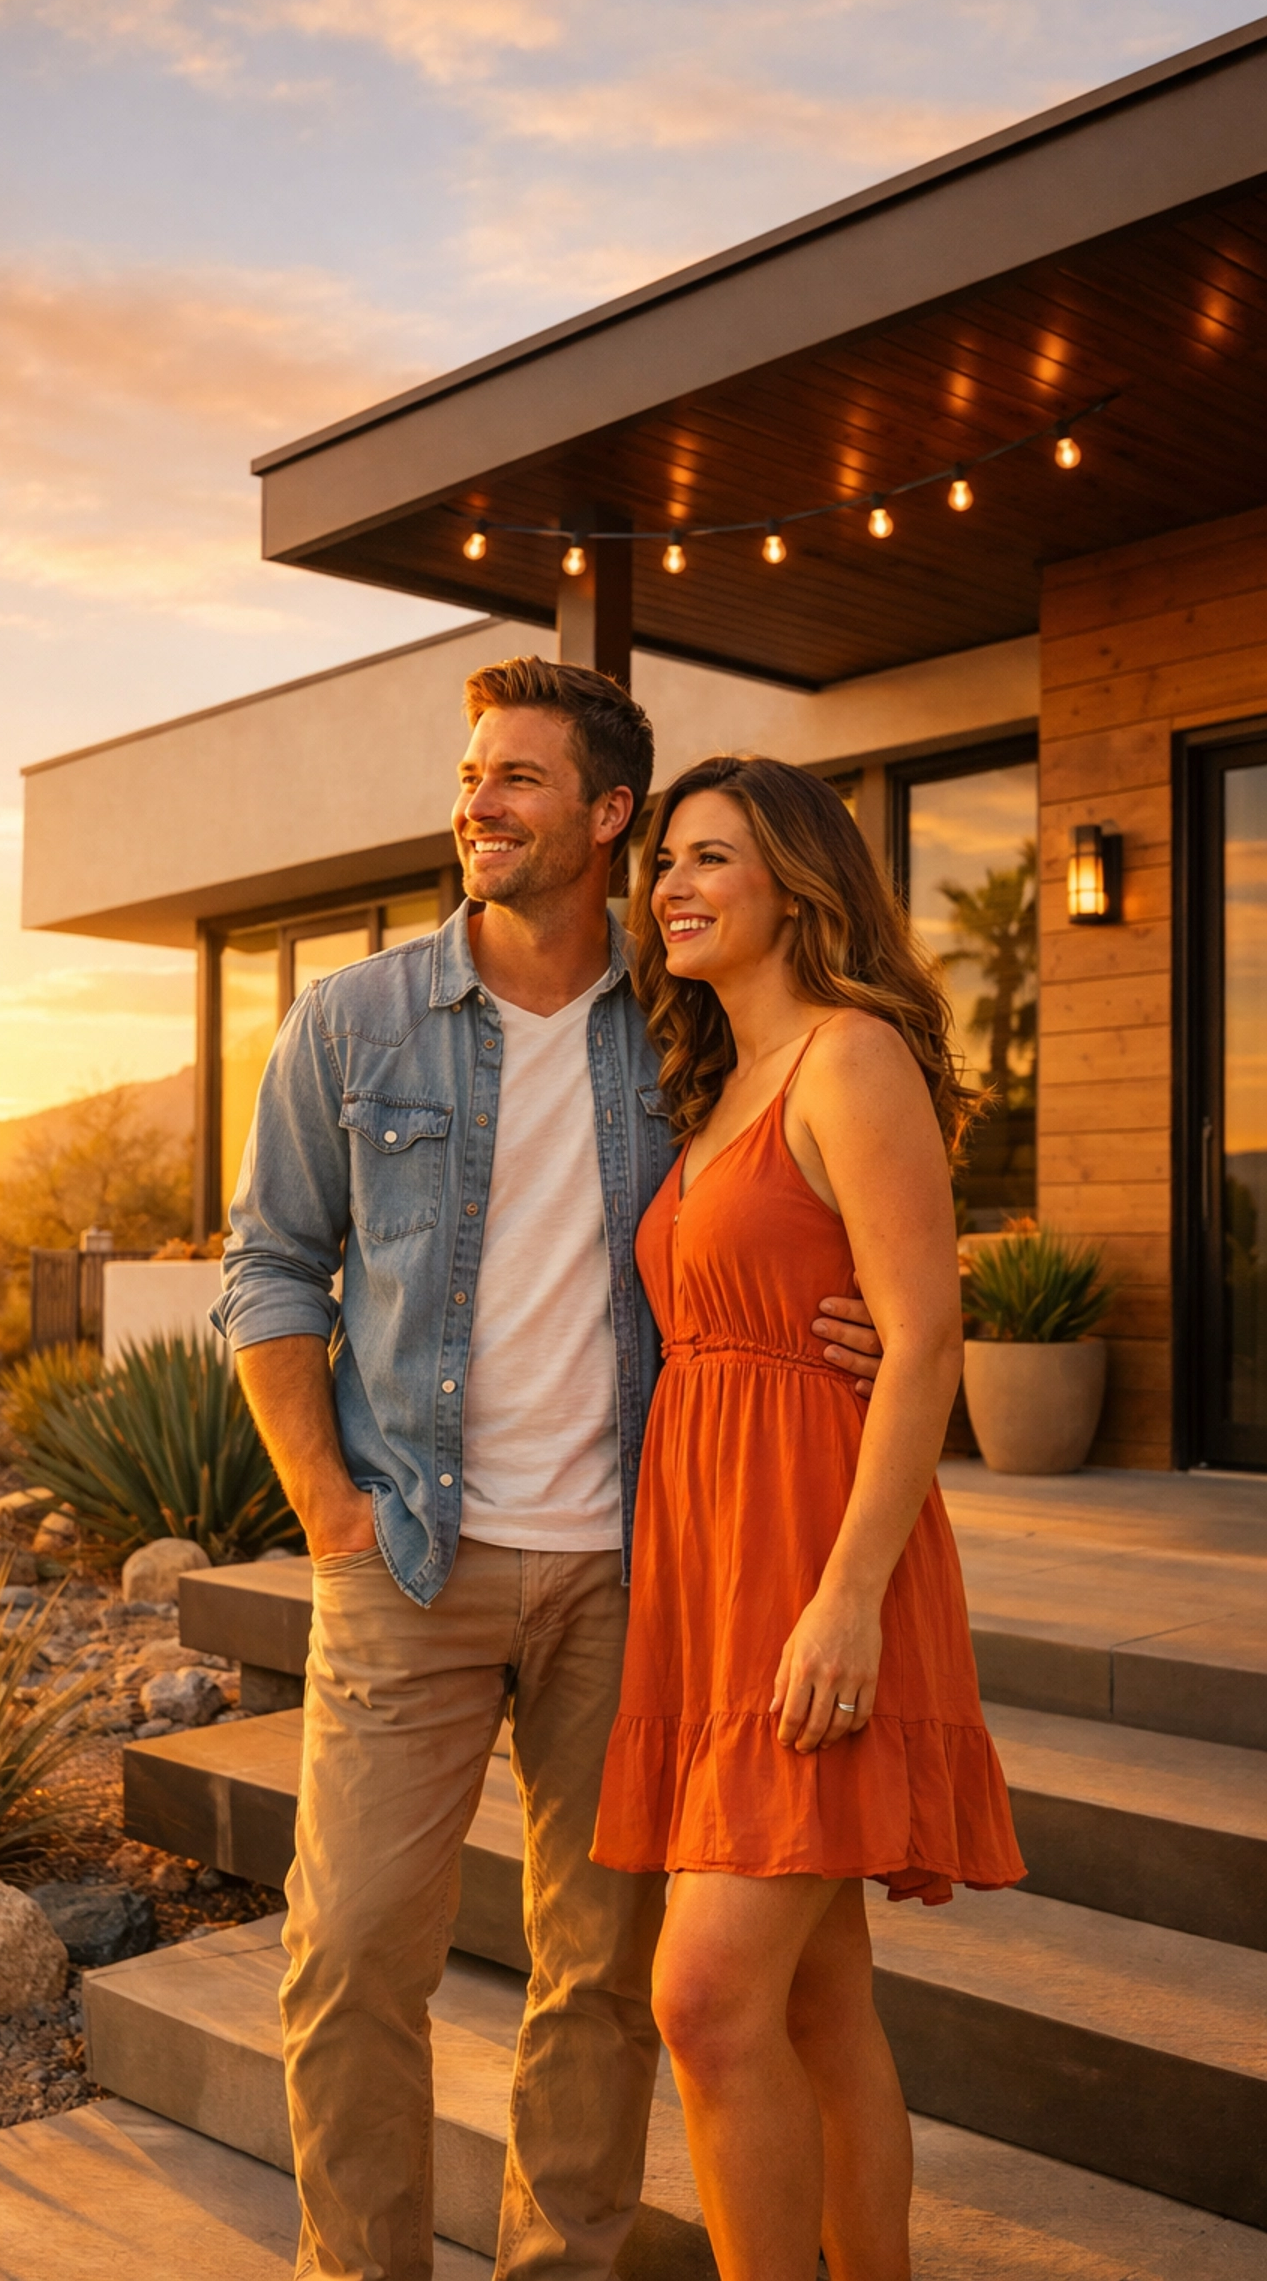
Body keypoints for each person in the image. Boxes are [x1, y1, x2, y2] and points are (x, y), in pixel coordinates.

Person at [211, 658, 884, 2281]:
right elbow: (267, 1269)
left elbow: (804, 1174)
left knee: (603, 1970)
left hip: (641, 1574)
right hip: (410, 1561)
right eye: (470, 773)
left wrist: (851, 1312)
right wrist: (327, 1504)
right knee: (354, 1954)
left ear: (605, 815)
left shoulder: (687, 1022)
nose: (477, 803)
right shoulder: (354, 1019)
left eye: (517, 776)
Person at [592, 755, 1026, 2281]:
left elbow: (923, 1340)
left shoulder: (849, 1060)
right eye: (666, 864)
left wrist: (846, 1599)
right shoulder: (711, 1094)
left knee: (704, 2002)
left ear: (797, 882)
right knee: (817, 2000)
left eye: (712, 858)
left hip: (818, 1563)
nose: (676, 888)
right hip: (714, 1568)